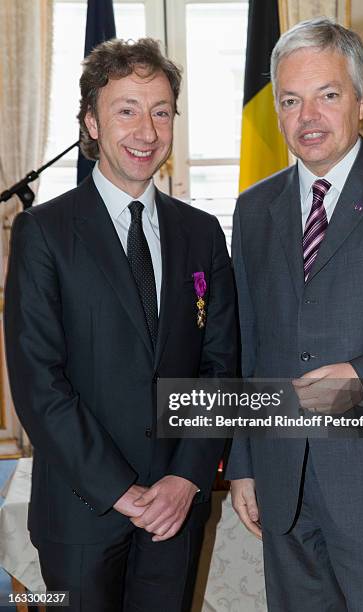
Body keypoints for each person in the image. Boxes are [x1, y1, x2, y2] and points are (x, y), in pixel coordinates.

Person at [4, 38, 236, 612]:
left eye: (161, 112)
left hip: (174, 513)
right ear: (91, 121)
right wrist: (121, 491)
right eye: (126, 110)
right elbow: (39, 381)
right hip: (81, 511)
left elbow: (220, 366)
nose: (146, 131)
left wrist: (186, 479)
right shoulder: (43, 233)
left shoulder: (202, 233)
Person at [227, 17, 363, 611]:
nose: (308, 117)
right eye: (290, 100)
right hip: (285, 491)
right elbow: (248, 345)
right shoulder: (253, 211)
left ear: (362, 100)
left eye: (327, 95)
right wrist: (245, 464)